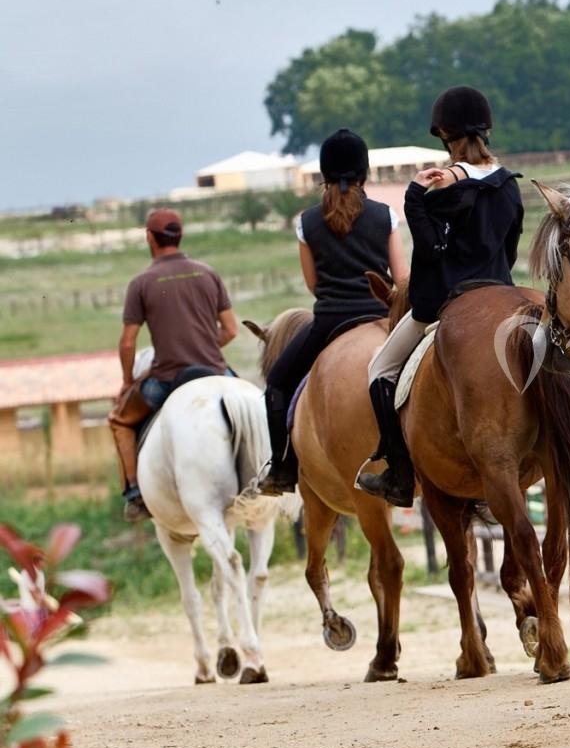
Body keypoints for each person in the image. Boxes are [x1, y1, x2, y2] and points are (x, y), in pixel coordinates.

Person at [356, 86, 524, 506]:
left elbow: (431, 250)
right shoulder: (509, 185)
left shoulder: (449, 186)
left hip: (448, 300)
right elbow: (510, 250)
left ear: (446, 135)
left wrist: (415, 196)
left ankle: (398, 472)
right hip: (501, 288)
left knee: (380, 369)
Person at [257, 128, 409, 495]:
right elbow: (401, 278)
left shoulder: (307, 222)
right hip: (382, 317)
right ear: (364, 172)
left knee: (277, 385)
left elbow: (312, 283)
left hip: (329, 322)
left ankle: (282, 468)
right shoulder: (385, 216)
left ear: (323, 175)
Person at [109, 209, 238, 522]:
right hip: (215, 370)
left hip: (167, 379)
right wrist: (204, 348)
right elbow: (231, 330)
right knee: (252, 405)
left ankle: (135, 494)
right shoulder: (208, 273)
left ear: (150, 238)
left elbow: (128, 343)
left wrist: (127, 381)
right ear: (180, 235)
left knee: (119, 421)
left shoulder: (141, 282)